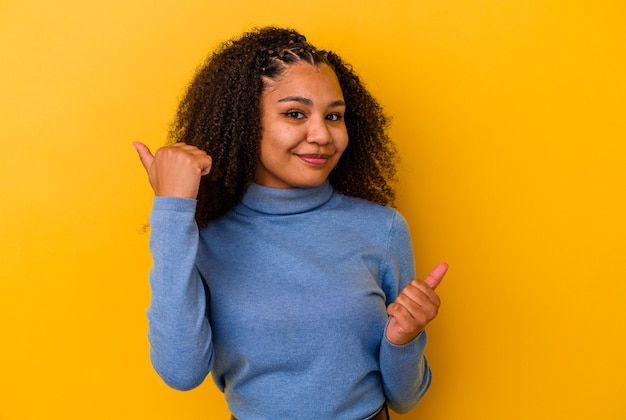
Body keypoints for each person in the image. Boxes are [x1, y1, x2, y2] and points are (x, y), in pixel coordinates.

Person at [133, 26, 447, 420]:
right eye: (295, 114)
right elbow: (181, 372)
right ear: (246, 124)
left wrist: (404, 341)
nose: (322, 134)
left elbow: (407, 398)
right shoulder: (203, 238)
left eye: (334, 116)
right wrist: (171, 211)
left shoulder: (382, 229)